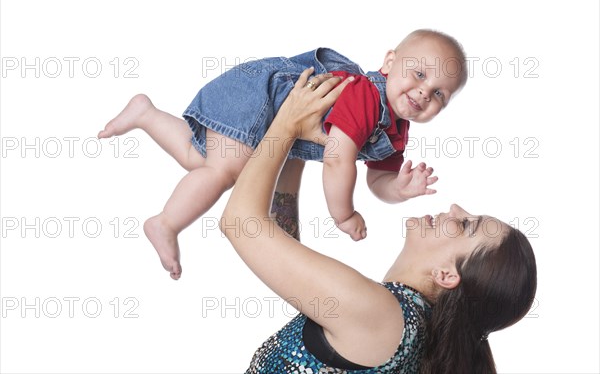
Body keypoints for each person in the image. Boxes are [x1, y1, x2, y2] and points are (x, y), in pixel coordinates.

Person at [220, 68, 538, 373]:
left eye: (465, 225)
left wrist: (286, 125)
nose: (454, 208)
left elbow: (239, 223)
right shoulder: (407, 330)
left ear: (446, 275)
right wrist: (296, 154)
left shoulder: (381, 316)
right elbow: (283, 255)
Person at [98, 29, 467, 280]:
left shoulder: (396, 131)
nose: (423, 93)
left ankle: (144, 113)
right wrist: (344, 214)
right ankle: (164, 223)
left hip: (272, 118)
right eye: (418, 74)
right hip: (257, 98)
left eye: (438, 94)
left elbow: (377, 180)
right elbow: (338, 158)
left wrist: (398, 190)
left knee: (199, 162)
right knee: (221, 173)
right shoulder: (366, 97)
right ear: (389, 63)